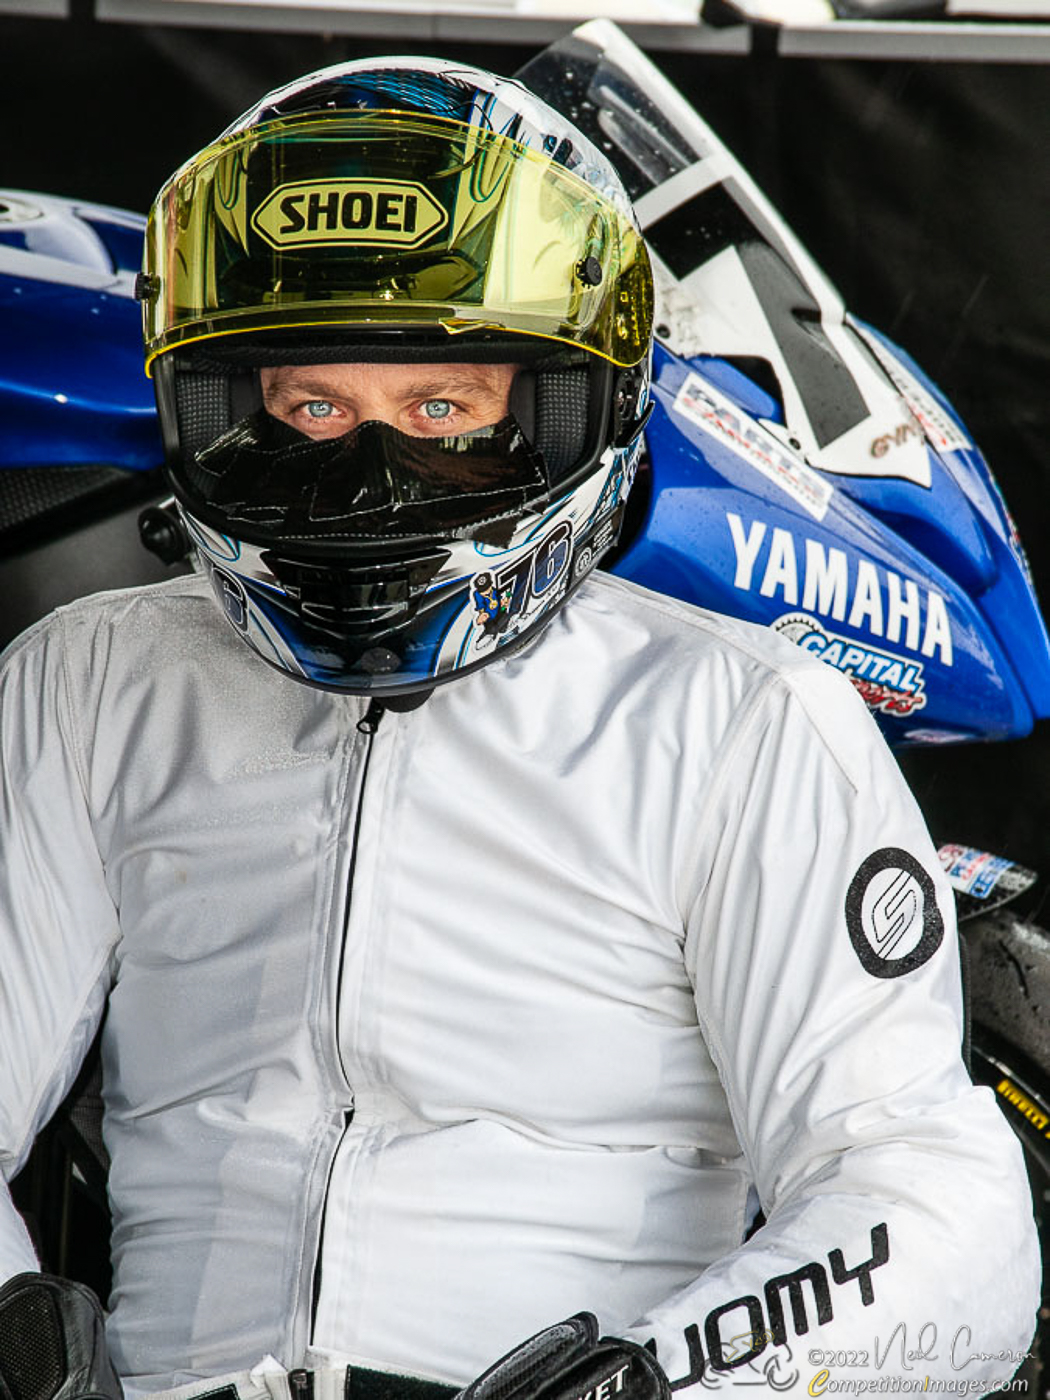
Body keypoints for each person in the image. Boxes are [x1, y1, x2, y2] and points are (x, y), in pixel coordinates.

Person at [0, 49, 1039, 1400]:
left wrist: (647, 1385)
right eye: (311, 407)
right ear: (210, 404)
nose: (368, 477)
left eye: (440, 410)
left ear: (569, 405)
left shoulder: (742, 719)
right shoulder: (89, 684)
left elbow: (935, 1208)